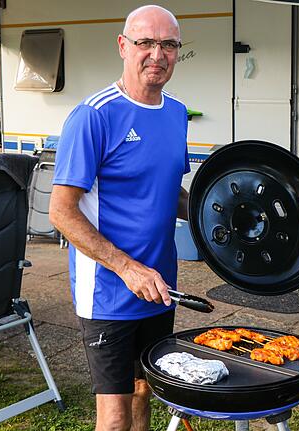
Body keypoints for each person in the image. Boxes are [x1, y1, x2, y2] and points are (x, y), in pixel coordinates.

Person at [48, 5, 189, 431]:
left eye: (168, 45)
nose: (157, 54)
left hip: (160, 284)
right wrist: (126, 268)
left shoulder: (176, 112)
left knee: (145, 391)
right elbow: (61, 210)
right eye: (146, 43)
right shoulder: (94, 115)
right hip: (108, 289)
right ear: (123, 46)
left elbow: (169, 191)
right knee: (113, 415)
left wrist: (216, 220)